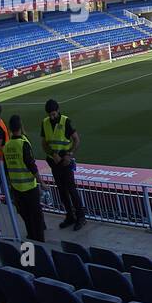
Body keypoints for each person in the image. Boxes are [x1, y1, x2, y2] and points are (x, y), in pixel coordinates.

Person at [41, 98, 85, 230]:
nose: (52, 116)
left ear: (58, 111)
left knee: (71, 189)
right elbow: (44, 143)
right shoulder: (45, 123)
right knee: (62, 191)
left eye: (54, 114)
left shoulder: (66, 121)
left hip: (65, 161)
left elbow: (76, 140)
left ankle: (81, 217)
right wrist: (52, 154)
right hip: (54, 162)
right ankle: (70, 216)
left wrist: (69, 155)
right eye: (50, 114)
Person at [2, 114, 45, 242]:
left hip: (16, 188)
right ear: (21, 126)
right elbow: (31, 165)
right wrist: (41, 182)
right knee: (36, 218)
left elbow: (6, 169)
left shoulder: (7, 146)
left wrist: (10, 185)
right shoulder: (23, 144)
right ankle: (39, 243)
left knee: (26, 217)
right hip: (29, 188)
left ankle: (31, 238)